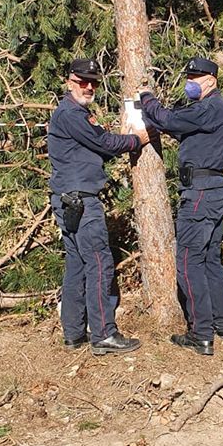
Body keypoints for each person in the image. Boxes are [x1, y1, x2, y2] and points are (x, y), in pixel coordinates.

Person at [47, 59, 148, 354]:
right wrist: (136, 140)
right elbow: (103, 143)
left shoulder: (74, 113)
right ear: (69, 82)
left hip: (68, 199)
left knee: (77, 266)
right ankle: (103, 334)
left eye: (92, 82)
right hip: (80, 200)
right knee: (100, 264)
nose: (88, 87)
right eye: (82, 81)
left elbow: (95, 145)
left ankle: (74, 333)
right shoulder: (71, 113)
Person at [139, 57, 223, 356]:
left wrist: (146, 99)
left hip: (201, 193)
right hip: (214, 189)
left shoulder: (209, 107)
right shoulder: (211, 111)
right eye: (189, 75)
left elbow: (168, 120)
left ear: (211, 80)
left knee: (187, 261)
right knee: (209, 260)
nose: (190, 81)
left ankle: (200, 333)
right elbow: (179, 127)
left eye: (195, 76)